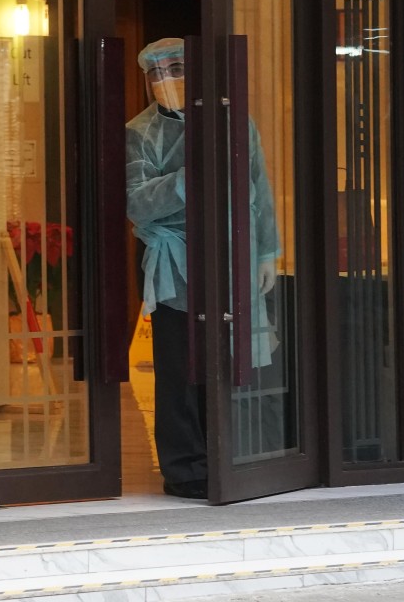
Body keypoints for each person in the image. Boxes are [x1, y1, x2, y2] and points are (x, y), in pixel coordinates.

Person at [125, 38, 279, 500]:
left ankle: (234, 460)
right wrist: (190, 177)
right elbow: (137, 202)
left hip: (235, 255)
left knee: (233, 361)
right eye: (157, 73)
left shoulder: (236, 123)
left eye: (176, 68)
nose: (167, 80)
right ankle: (185, 469)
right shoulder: (139, 132)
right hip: (174, 261)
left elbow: (260, 189)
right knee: (180, 367)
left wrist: (268, 253)